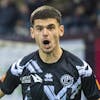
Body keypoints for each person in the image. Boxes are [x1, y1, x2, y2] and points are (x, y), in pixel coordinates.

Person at [0, 5, 100, 100]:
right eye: (39, 28)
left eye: (51, 27)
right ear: (32, 33)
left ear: (61, 30)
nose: (45, 33)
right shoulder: (20, 67)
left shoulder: (82, 69)